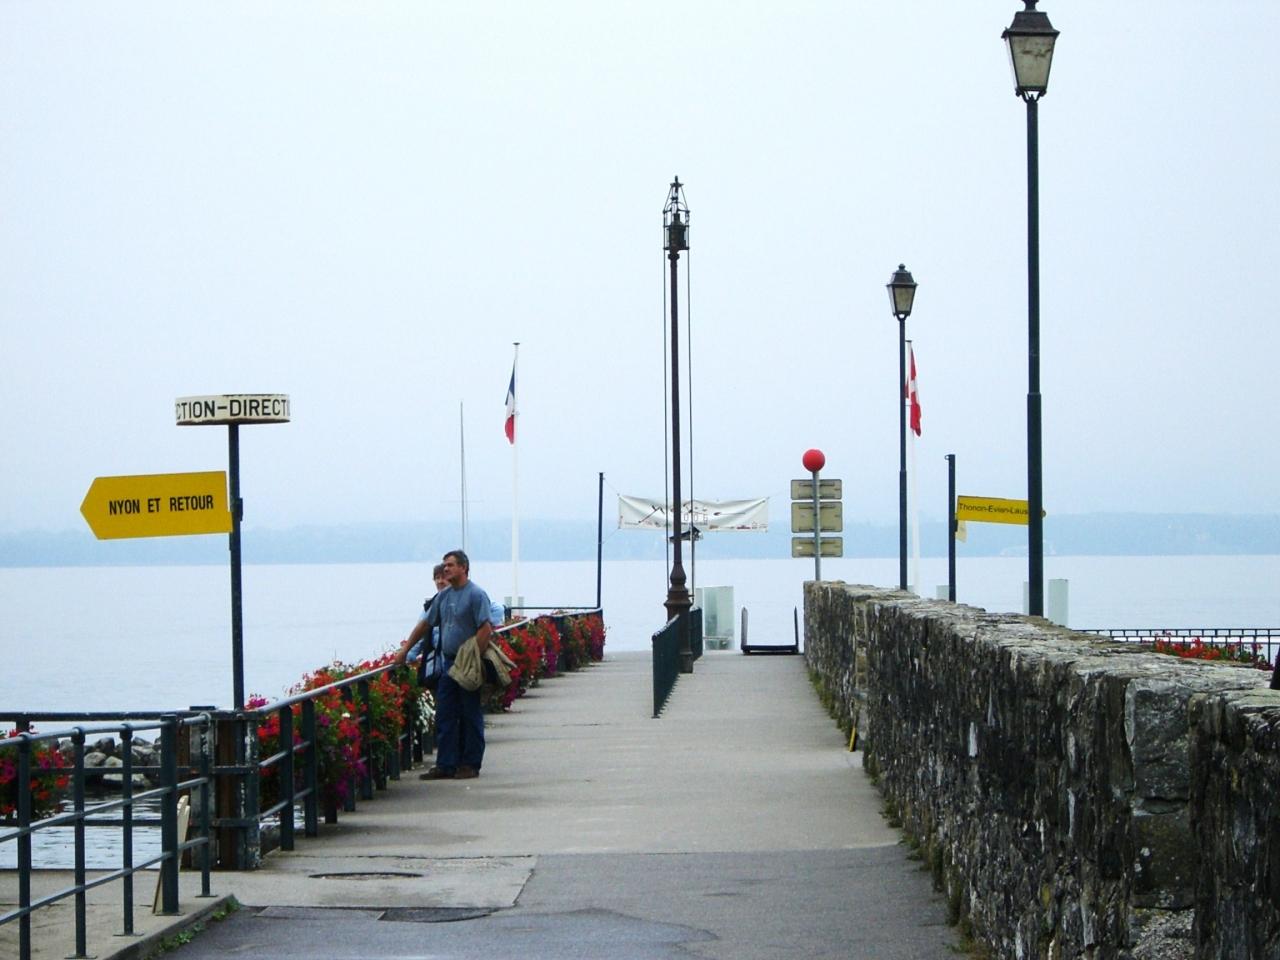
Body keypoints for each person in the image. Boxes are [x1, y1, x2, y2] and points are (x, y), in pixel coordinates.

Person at [395, 549, 493, 780]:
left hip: (466, 664)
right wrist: (405, 650)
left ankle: (470, 763)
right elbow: (425, 624)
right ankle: (446, 764)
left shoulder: (476, 594)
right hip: (448, 663)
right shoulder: (444, 596)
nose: (446, 569)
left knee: (470, 713)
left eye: (450, 565)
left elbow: (485, 628)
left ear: (463, 568)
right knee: (445, 713)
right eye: (444, 565)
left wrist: (473, 656)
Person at [405, 563, 449, 672]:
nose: (440, 581)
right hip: (440, 660)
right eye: (437, 578)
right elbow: (422, 630)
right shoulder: (432, 605)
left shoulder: (461, 599)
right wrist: (410, 654)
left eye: (443, 577)